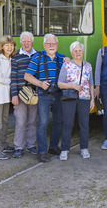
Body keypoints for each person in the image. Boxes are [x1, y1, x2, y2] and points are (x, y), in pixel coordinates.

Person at [25, 34, 65, 163]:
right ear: (44, 45)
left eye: (53, 44)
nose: (51, 46)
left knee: (59, 121)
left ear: (57, 45)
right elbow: (27, 76)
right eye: (48, 44)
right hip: (43, 94)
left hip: (59, 94)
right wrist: (40, 84)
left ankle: (53, 147)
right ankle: (42, 151)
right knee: (43, 123)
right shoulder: (37, 57)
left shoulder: (63, 58)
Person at [58, 41, 95, 161]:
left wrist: (92, 99)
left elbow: (91, 83)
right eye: (75, 51)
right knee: (68, 123)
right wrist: (73, 86)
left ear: (82, 52)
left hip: (84, 98)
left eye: (79, 50)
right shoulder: (67, 65)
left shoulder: (88, 65)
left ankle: (84, 148)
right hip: (69, 97)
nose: (78, 53)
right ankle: (64, 149)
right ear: (71, 53)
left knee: (84, 123)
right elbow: (60, 84)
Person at [10, 31, 38, 158]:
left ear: (32, 42)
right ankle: (18, 147)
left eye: (28, 41)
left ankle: (31, 145)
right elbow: (13, 77)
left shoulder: (37, 55)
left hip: (33, 95)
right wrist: (14, 95)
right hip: (20, 95)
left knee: (32, 121)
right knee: (20, 121)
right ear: (21, 42)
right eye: (24, 41)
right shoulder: (16, 56)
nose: (26, 44)